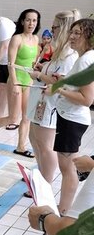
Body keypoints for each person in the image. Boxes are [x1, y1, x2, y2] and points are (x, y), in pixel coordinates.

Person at [27, 10, 80, 186]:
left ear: (63, 28)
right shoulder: (60, 51)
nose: (51, 31)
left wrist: (39, 75)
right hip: (41, 101)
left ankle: (45, 184)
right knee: (34, 139)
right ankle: (41, 177)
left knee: (44, 145)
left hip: (51, 104)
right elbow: (54, 74)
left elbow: (62, 82)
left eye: (54, 27)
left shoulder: (70, 55)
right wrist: (42, 69)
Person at [0, 9, 40, 156]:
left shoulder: (36, 39)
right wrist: (15, 84)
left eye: (34, 20)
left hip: (28, 81)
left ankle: (21, 147)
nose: (31, 23)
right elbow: (10, 64)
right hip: (16, 79)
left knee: (26, 117)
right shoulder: (17, 38)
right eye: (28, 20)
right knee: (13, 118)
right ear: (22, 21)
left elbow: (32, 62)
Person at [52, 17, 94, 214]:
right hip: (71, 118)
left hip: (72, 119)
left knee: (68, 168)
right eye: (72, 32)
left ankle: (64, 210)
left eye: (78, 33)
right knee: (70, 166)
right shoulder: (85, 57)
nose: (72, 36)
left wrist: (58, 89)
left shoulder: (86, 59)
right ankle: (65, 207)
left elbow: (87, 99)